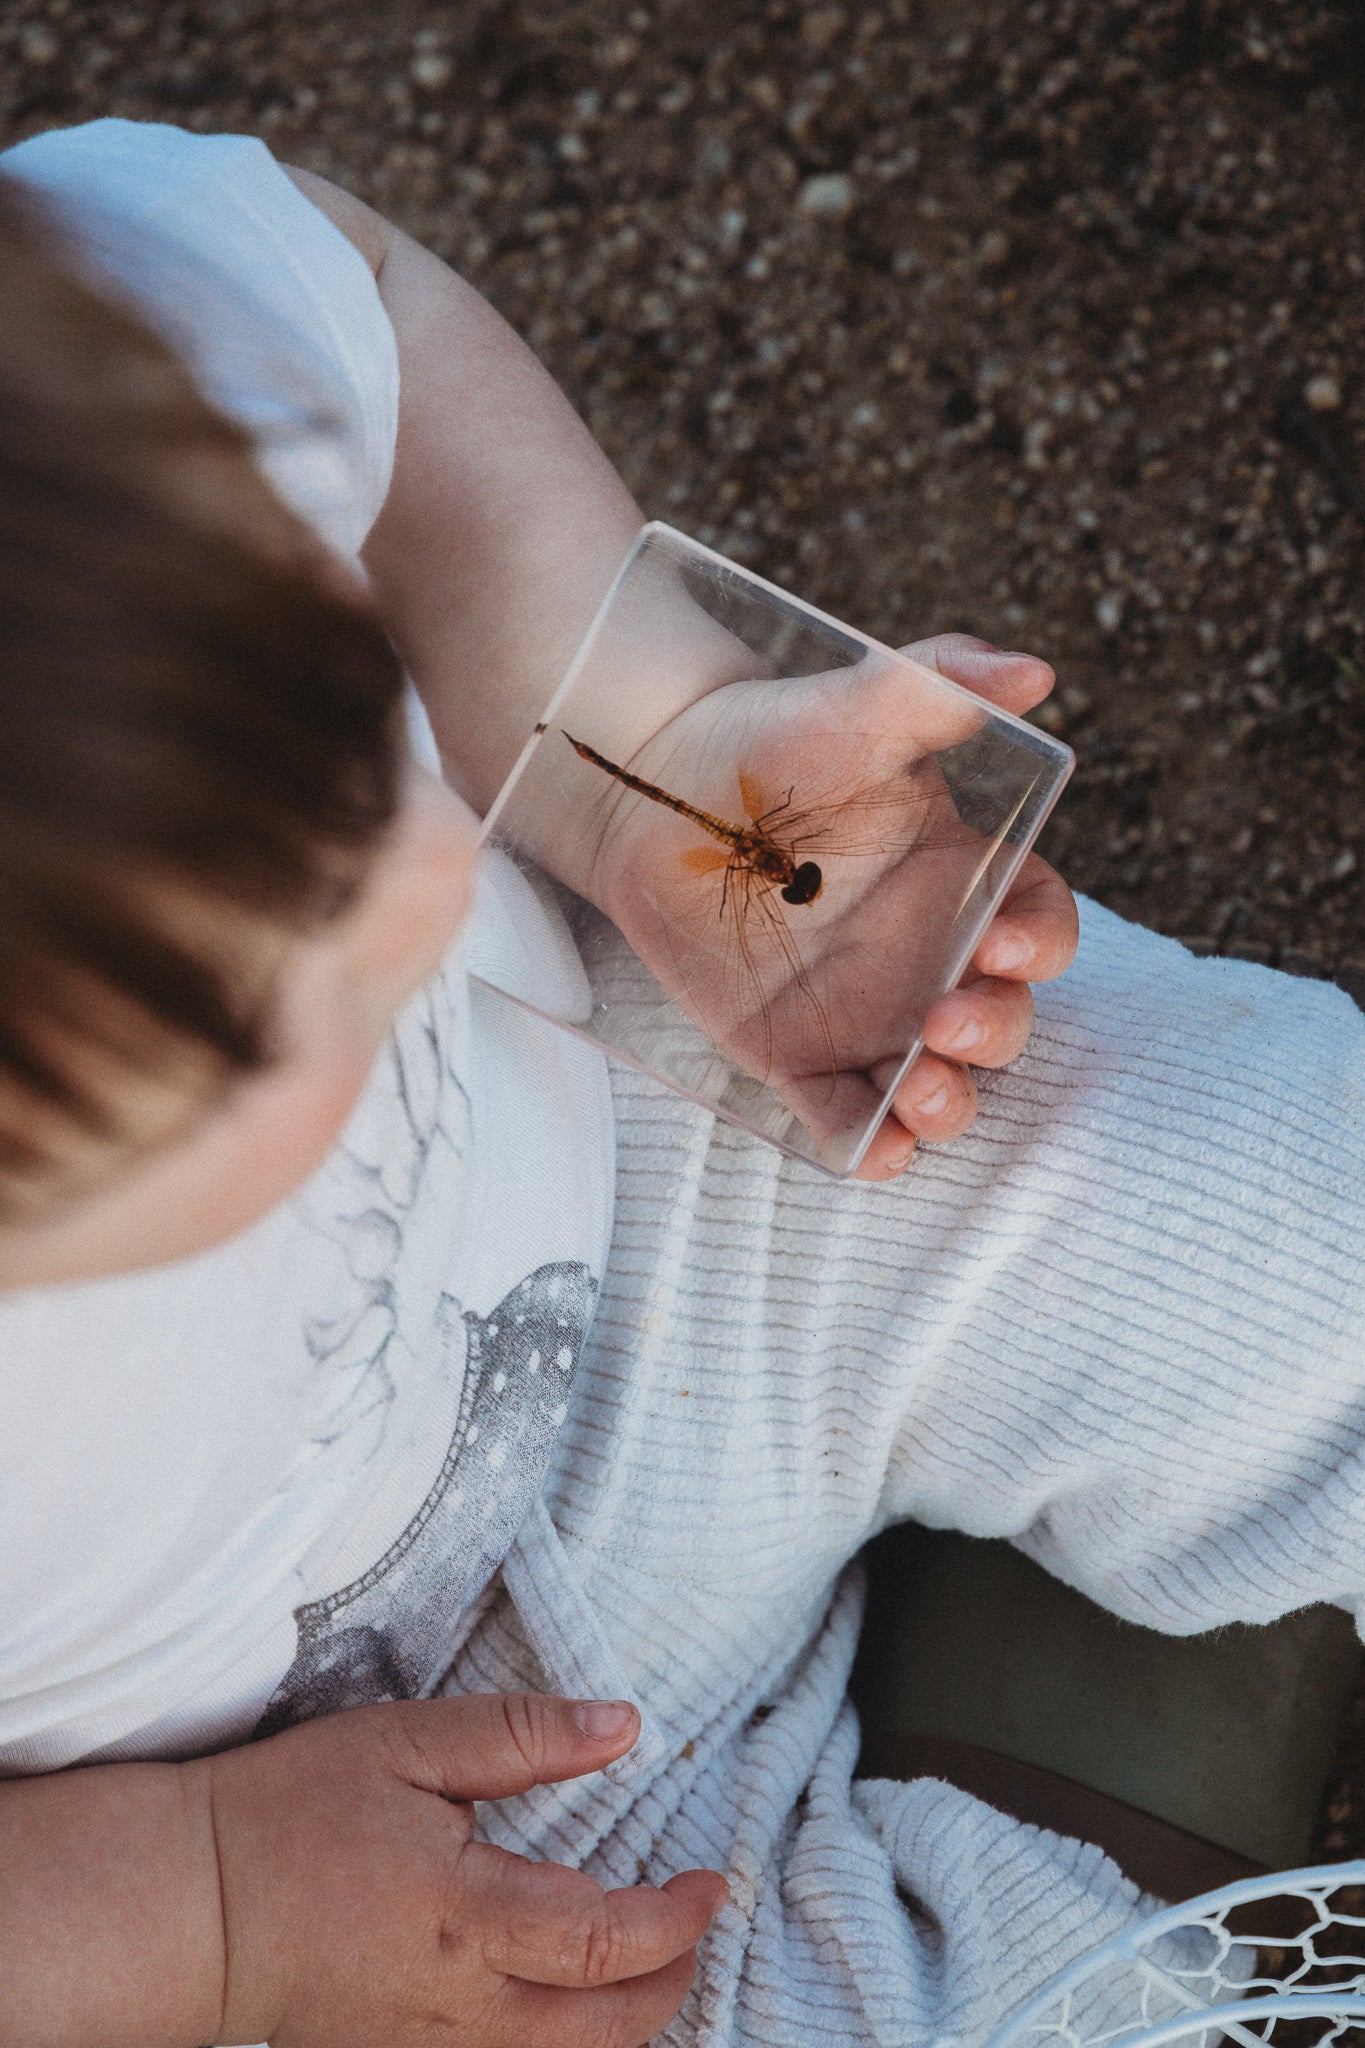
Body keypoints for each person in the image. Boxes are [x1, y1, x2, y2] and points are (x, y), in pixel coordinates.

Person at [0, 118, 1362, 2048]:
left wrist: (645, 748)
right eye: (272, 991)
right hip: (353, 1809)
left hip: (649, 1151)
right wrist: (200, 1909)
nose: (424, 877)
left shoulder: (71, 383)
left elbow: (344, 278)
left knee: (1278, 1193)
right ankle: (1056, 1862)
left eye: (343, 732)